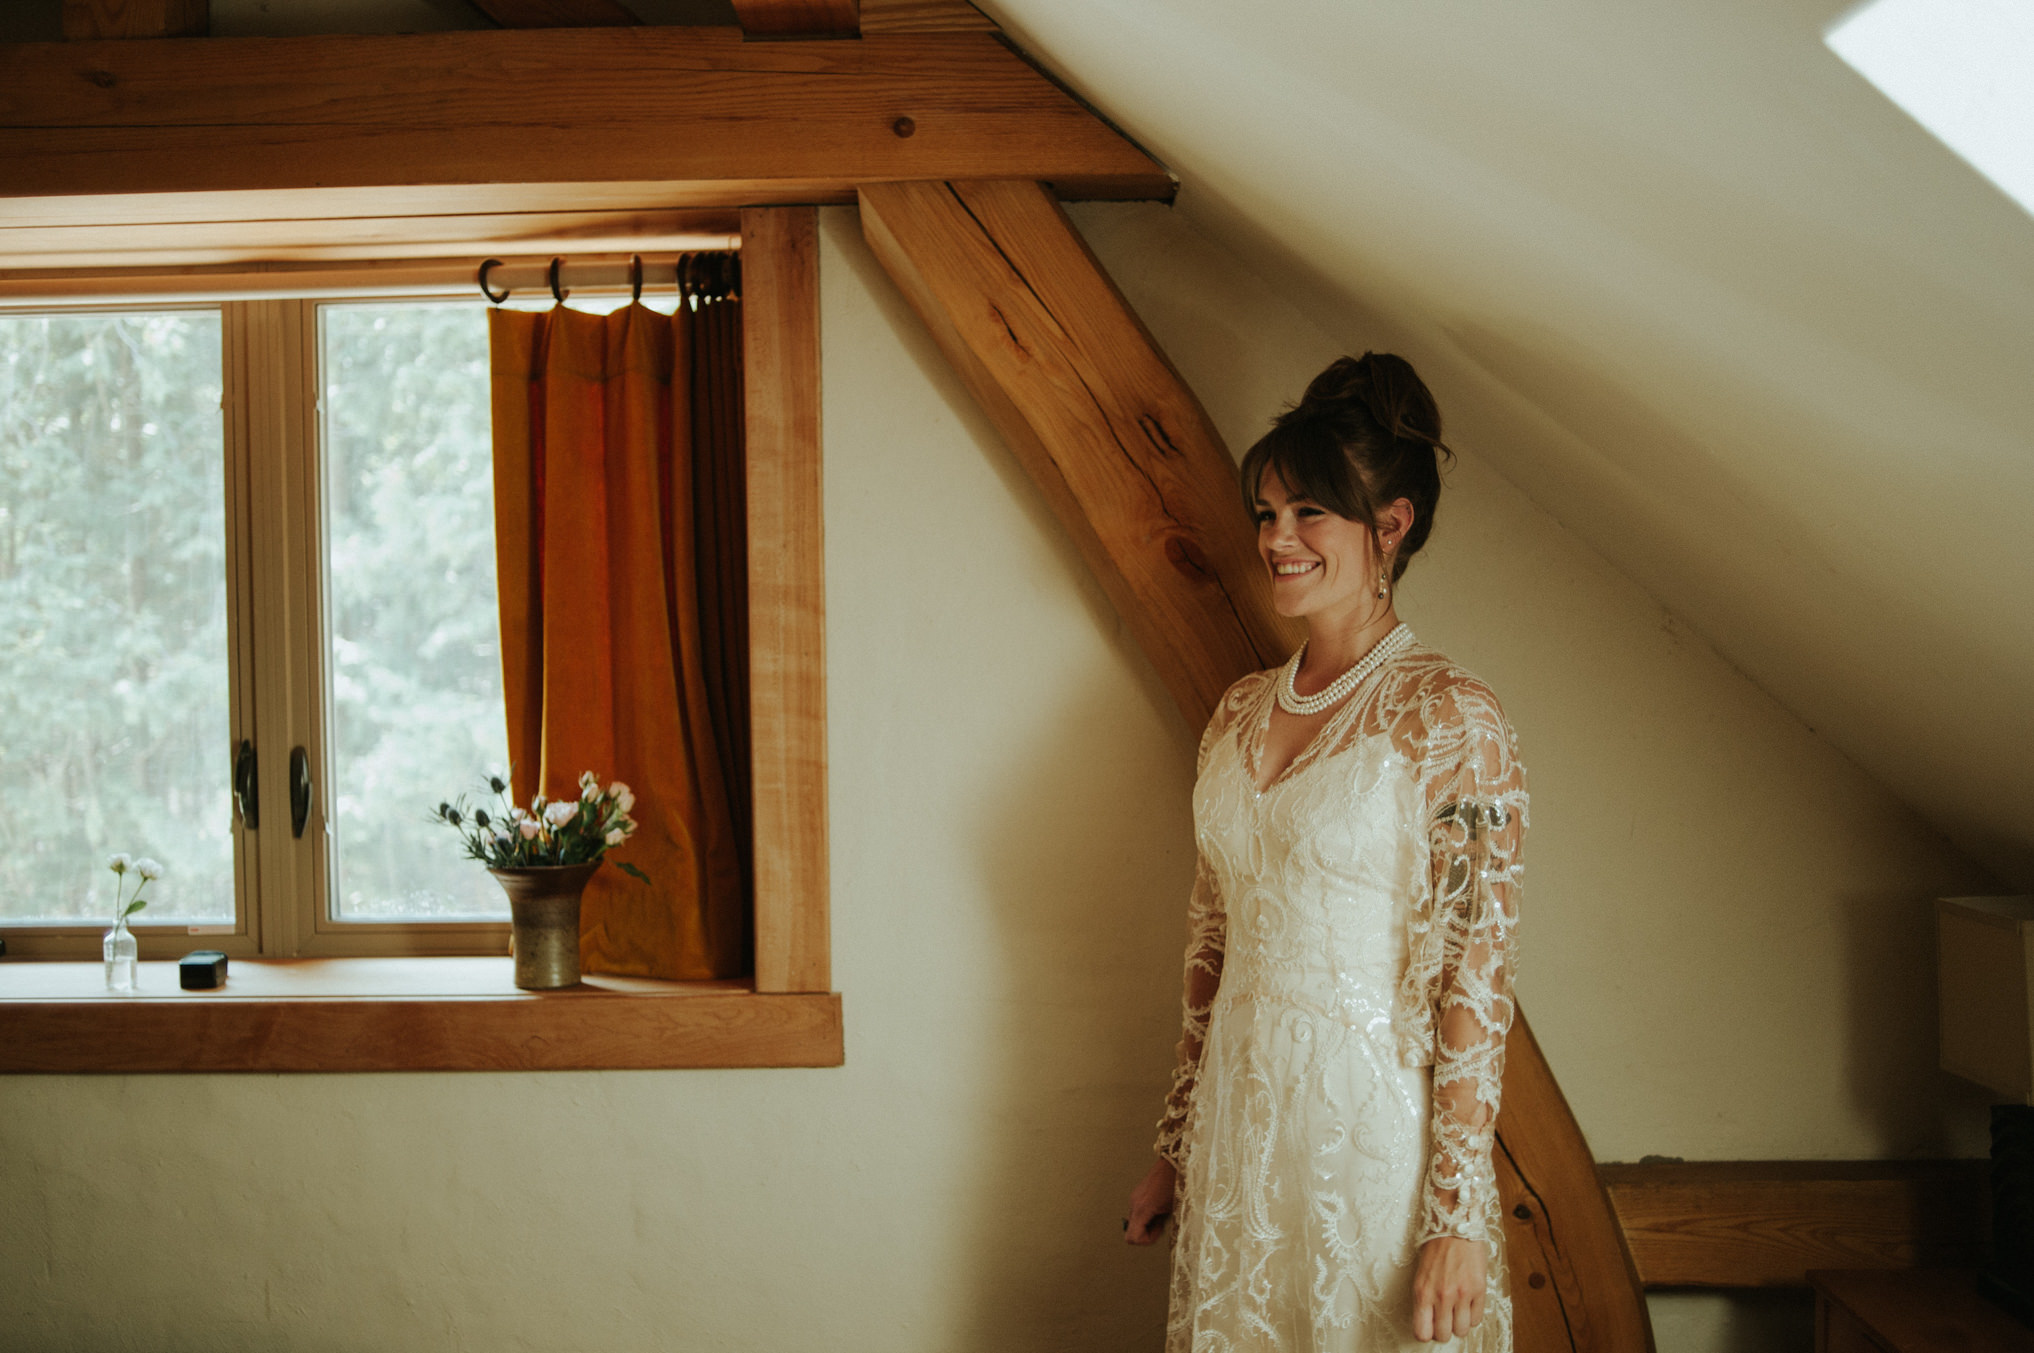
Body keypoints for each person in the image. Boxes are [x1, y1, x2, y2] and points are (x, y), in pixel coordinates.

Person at [1123, 353, 1526, 1351]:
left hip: (1373, 1149)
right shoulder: (1236, 714)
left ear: (1390, 525)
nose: (1277, 540)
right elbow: (1210, 947)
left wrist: (1454, 1220)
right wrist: (1174, 1151)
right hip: (1237, 1140)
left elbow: (1477, 975)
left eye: (1309, 513)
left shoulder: (1451, 716)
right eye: (1266, 513)